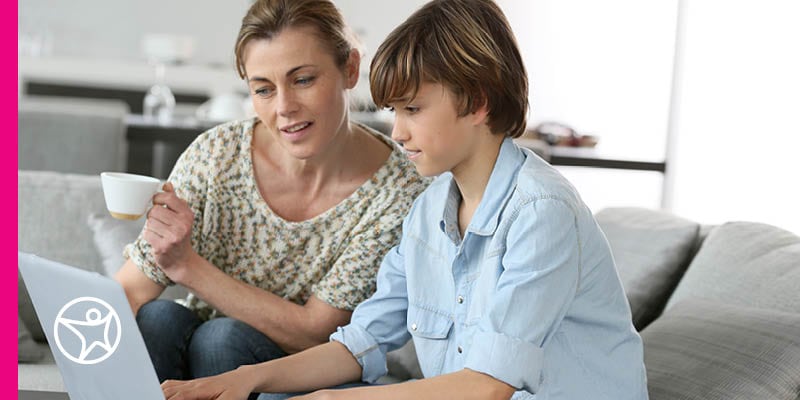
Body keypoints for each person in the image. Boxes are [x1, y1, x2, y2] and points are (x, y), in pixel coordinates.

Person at [160, 0, 648, 399]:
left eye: (413, 109)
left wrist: (331, 399)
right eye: (394, 111)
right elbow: (360, 342)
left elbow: (488, 385)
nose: (398, 132)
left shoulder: (542, 212)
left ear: (476, 101)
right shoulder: (428, 211)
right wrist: (247, 378)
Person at [114, 0, 428, 396]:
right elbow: (129, 292)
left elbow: (318, 334)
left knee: (221, 339)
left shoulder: (398, 193)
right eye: (263, 89)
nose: (284, 108)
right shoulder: (216, 157)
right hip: (199, 362)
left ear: (349, 68)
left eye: (303, 80)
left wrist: (187, 267)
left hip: (304, 376)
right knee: (158, 318)